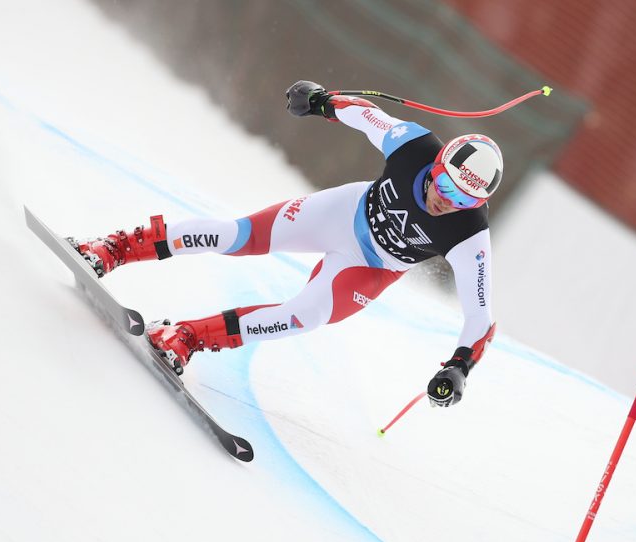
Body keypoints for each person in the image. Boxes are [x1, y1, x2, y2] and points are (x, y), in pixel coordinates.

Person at [71, 80, 500, 407]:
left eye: (464, 198)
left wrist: (460, 366)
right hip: (342, 214)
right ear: (439, 163)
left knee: (306, 315)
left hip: (371, 267)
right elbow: (366, 114)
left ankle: (185, 337)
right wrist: (322, 102)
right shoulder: (414, 145)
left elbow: (479, 315)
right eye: (446, 183)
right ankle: (113, 248)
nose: (447, 200)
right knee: (236, 237)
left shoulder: (469, 235)